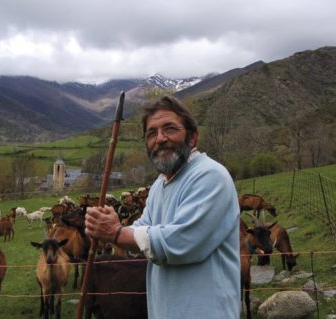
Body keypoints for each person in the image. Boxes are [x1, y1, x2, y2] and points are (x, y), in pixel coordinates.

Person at [85, 96, 241, 318]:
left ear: (192, 137)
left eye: (169, 129)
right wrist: (108, 226)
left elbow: (178, 242)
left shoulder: (209, 176)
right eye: (151, 133)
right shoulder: (161, 184)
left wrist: (116, 233)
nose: (160, 139)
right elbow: (143, 229)